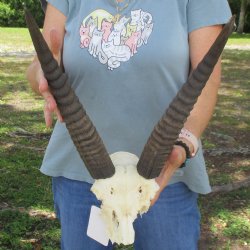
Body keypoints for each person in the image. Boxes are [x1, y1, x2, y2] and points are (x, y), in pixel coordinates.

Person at [26, 0, 232, 249]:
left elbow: (206, 79)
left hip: (164, 174)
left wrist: (185, 141)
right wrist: (41, 74)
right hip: (81, 172)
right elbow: (44, 61)